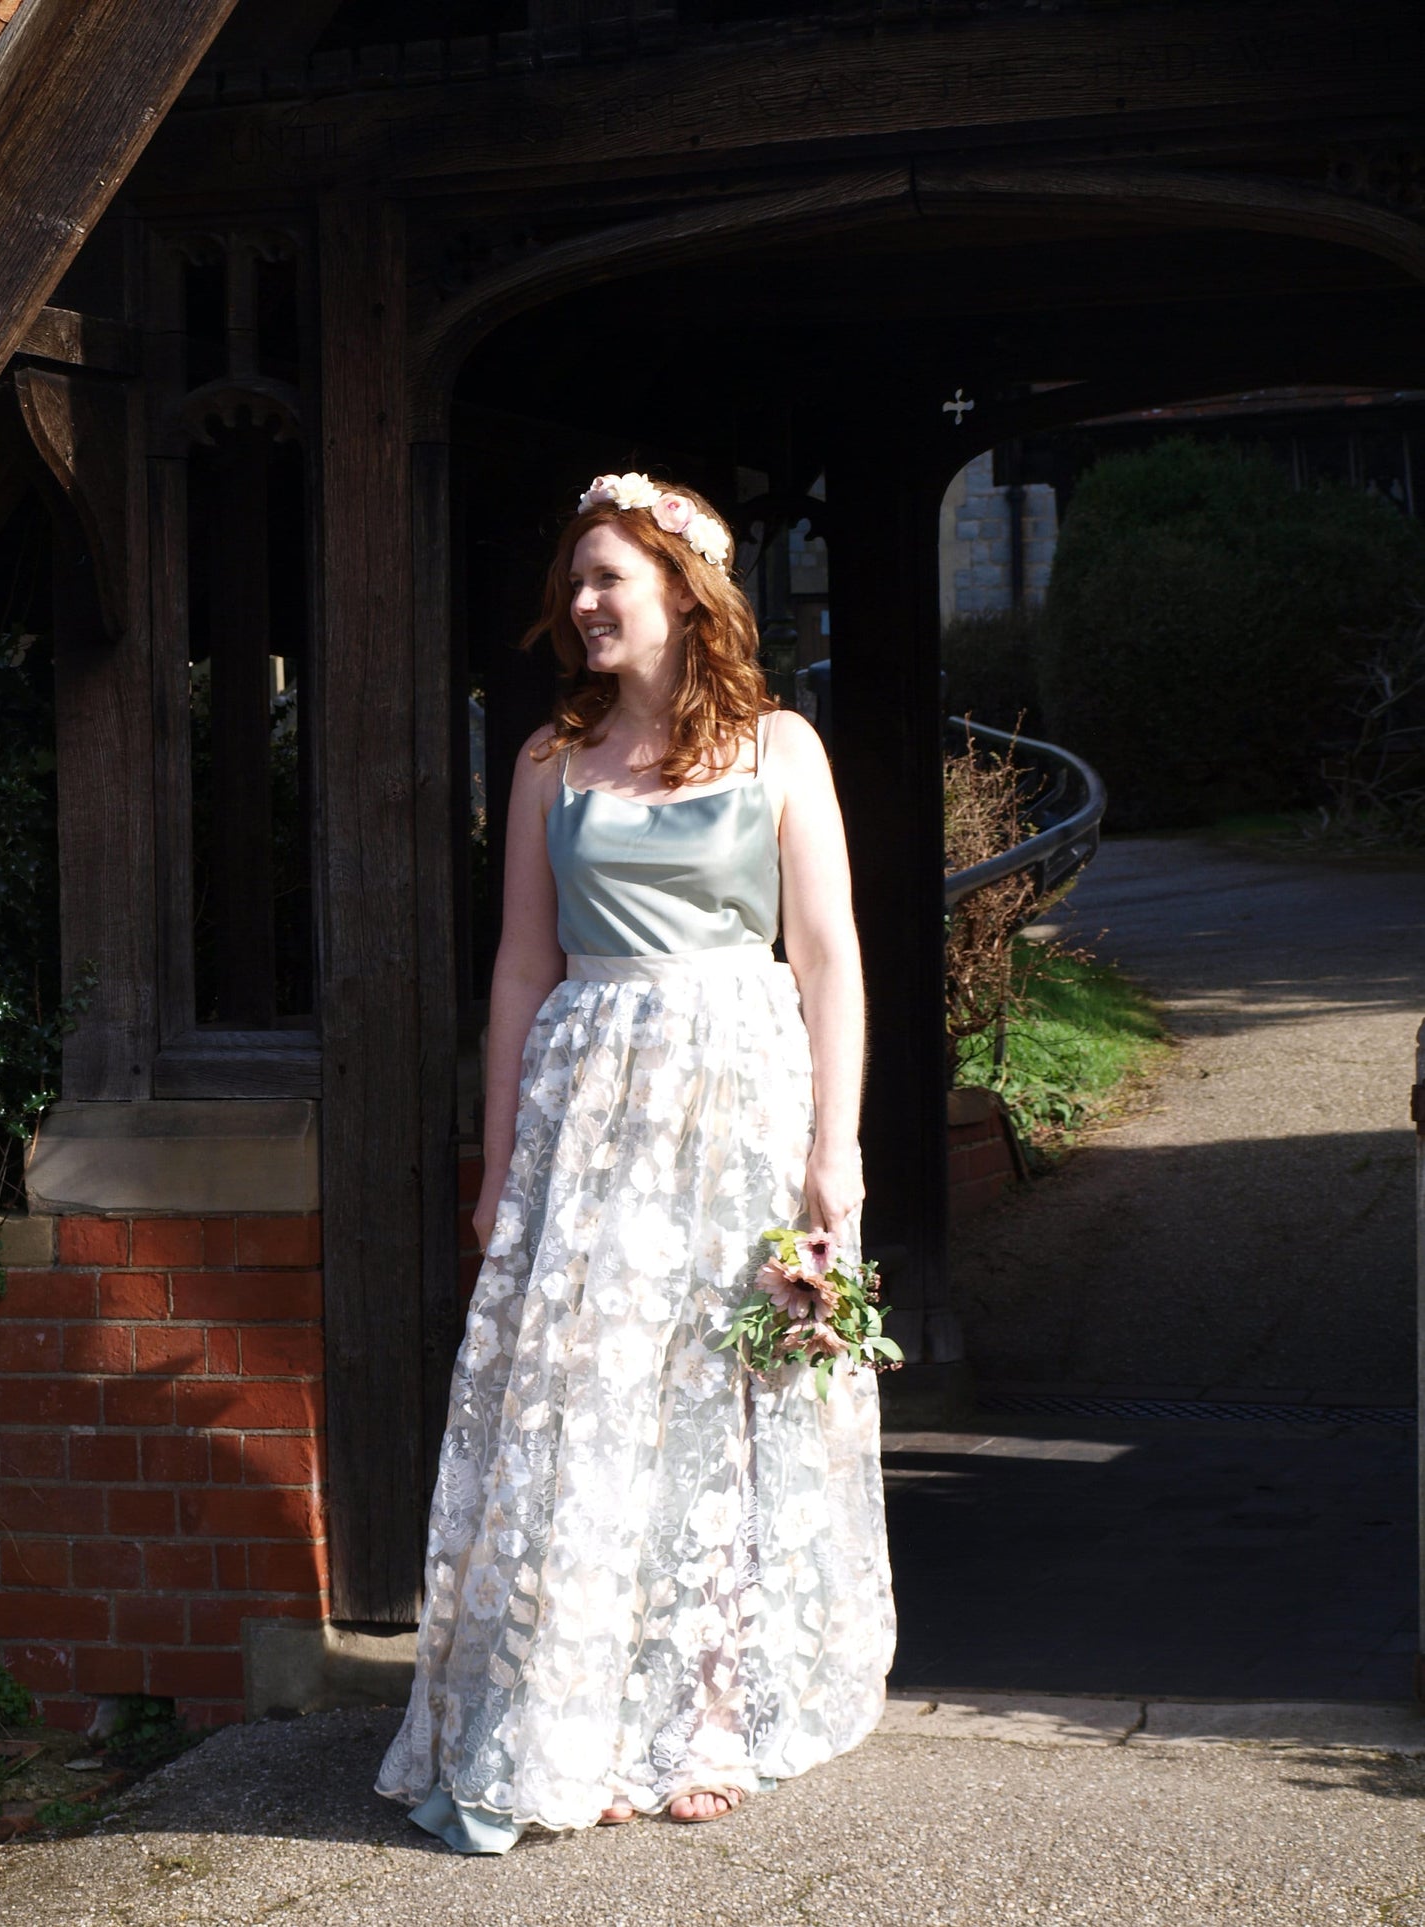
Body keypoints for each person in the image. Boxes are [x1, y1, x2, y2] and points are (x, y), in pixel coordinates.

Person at [375, 471, 895, 1852]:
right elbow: (520, 964)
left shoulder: (781, 749)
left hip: (738, 1090)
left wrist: (828, 1159)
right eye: (577, 581)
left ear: (685, 591)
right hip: (587, 1109)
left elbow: (828, 957)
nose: (583, 603)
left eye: (609, 578)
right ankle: (580, 1717)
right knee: (584, 1406)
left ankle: (710, 1714)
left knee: (725, 1396)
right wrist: (496, 1160)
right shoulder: (550, 756)